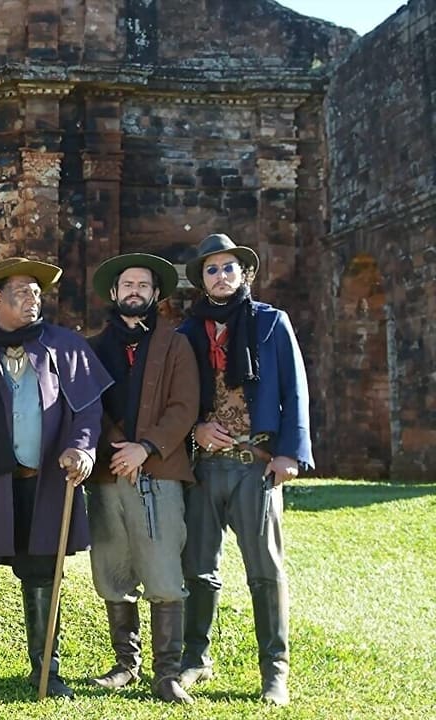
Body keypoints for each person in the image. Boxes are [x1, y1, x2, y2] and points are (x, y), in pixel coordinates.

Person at [0, 257, 111, 698]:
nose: (33, 298)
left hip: (43, 480)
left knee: (43, 573)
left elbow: (87, 409)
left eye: (36, 291)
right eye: (22, 291)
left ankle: (46, 668)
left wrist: (82, 448)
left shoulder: (64, 346)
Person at [177, 233, 313, 706]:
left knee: (265, 571)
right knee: (198, 569)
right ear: (202, 281)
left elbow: (295, 391)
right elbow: (178, 400)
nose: (220, 276)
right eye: (211, 270)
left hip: (256, 464)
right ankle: (196, 658)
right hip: (206, 466)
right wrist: (195, 429)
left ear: (244, 274)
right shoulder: (186, 333)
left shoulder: (272, 323)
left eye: (228, 268)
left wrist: (289, 453)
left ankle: (275, 670)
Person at [85, 253, 199, 703]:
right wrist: (119, 449)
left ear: (155, 295)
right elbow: (87, 405)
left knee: (164, 571)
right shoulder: (92, 348)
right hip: (109, 473)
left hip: (159, 471)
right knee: (113, 569)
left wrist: (145, 448)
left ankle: (166, 673)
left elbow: (184, 406)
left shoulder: (175, 345)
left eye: (143, 285)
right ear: (114, 293)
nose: (134, 291)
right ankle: (125, 664)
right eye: (127, 284)